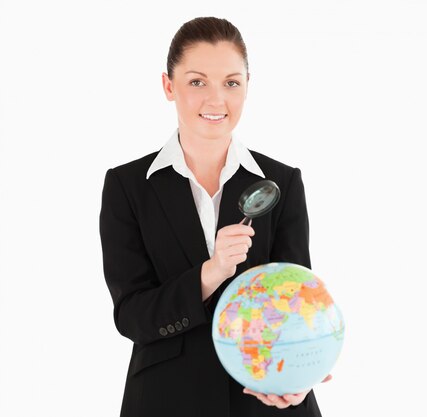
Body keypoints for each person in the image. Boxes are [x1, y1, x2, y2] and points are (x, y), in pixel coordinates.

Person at [99, 16, 330, 417]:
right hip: (166, 400)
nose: (216, 99)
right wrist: (212, 271)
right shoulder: (128, 186)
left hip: (264, 400)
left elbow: (296, 304)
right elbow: (132, 316)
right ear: (168, 86)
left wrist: (297, 381)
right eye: (197, 81)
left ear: (246, 86)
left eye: (231, 82)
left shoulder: (282, 181)